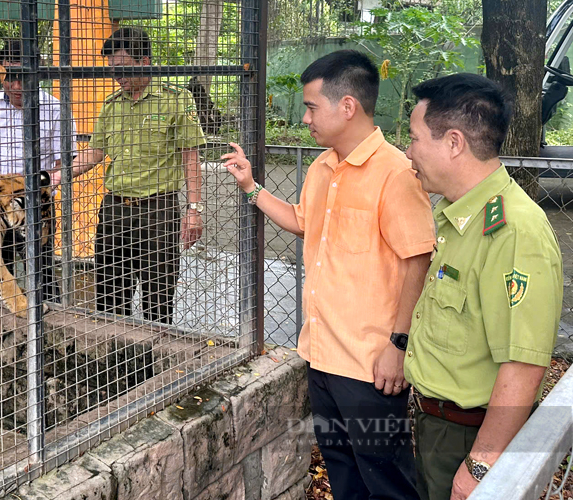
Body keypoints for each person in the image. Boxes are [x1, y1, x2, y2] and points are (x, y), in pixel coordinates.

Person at [223, 50, 435, 499]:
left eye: (311, 106)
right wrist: (250, 187)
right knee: (343, 472)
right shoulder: (322, 166)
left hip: (370, 366)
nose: (304, 118)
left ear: (347, 107)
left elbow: (419, 259)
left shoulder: (395, 173)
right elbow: (304, 221)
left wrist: (398, 346)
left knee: (387, 481)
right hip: (320, 354)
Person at [403, 73, 563, 500]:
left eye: (415, 138)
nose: (408, 152)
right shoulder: (461, 217)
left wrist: (479, 467)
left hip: (469, 439)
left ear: (453, 142)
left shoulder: (513, 232)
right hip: (438, 426)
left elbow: (524, 366)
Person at [65, 27, 206, 324]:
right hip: (115, 209)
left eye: (122, 68)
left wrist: (194, 210)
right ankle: (113, 363)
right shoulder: (111, 104)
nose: (116, 76)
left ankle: (155, 361)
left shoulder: (175, 100)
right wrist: (59, 174)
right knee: (109, 294)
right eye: (112, 70)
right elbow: (95, 151)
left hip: (157, 209)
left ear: (144, 62)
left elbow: (190, 156)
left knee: (159, 295)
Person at [0, 40, 76, 302]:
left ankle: (48, 322)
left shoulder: (56, 109)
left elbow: (64, 162)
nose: (15, 86)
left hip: (34, 205)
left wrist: (47, 187)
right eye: (9, 77)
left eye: (23, 77)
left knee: (43, 273)